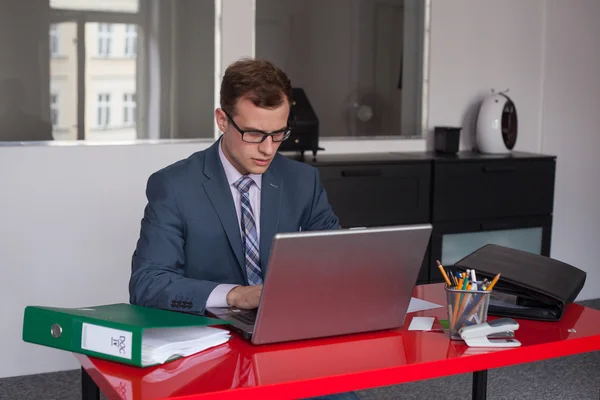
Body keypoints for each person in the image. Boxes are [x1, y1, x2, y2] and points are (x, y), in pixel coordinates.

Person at [129, 58, 360, 400]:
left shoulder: (301, 181)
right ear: (222, 120)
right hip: (208, 345)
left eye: (278, 133)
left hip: (288, 341)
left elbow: (334, 255)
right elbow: (147, 283)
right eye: (254, 134)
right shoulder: (175, 186)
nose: (268, 148)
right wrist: (237, 294)